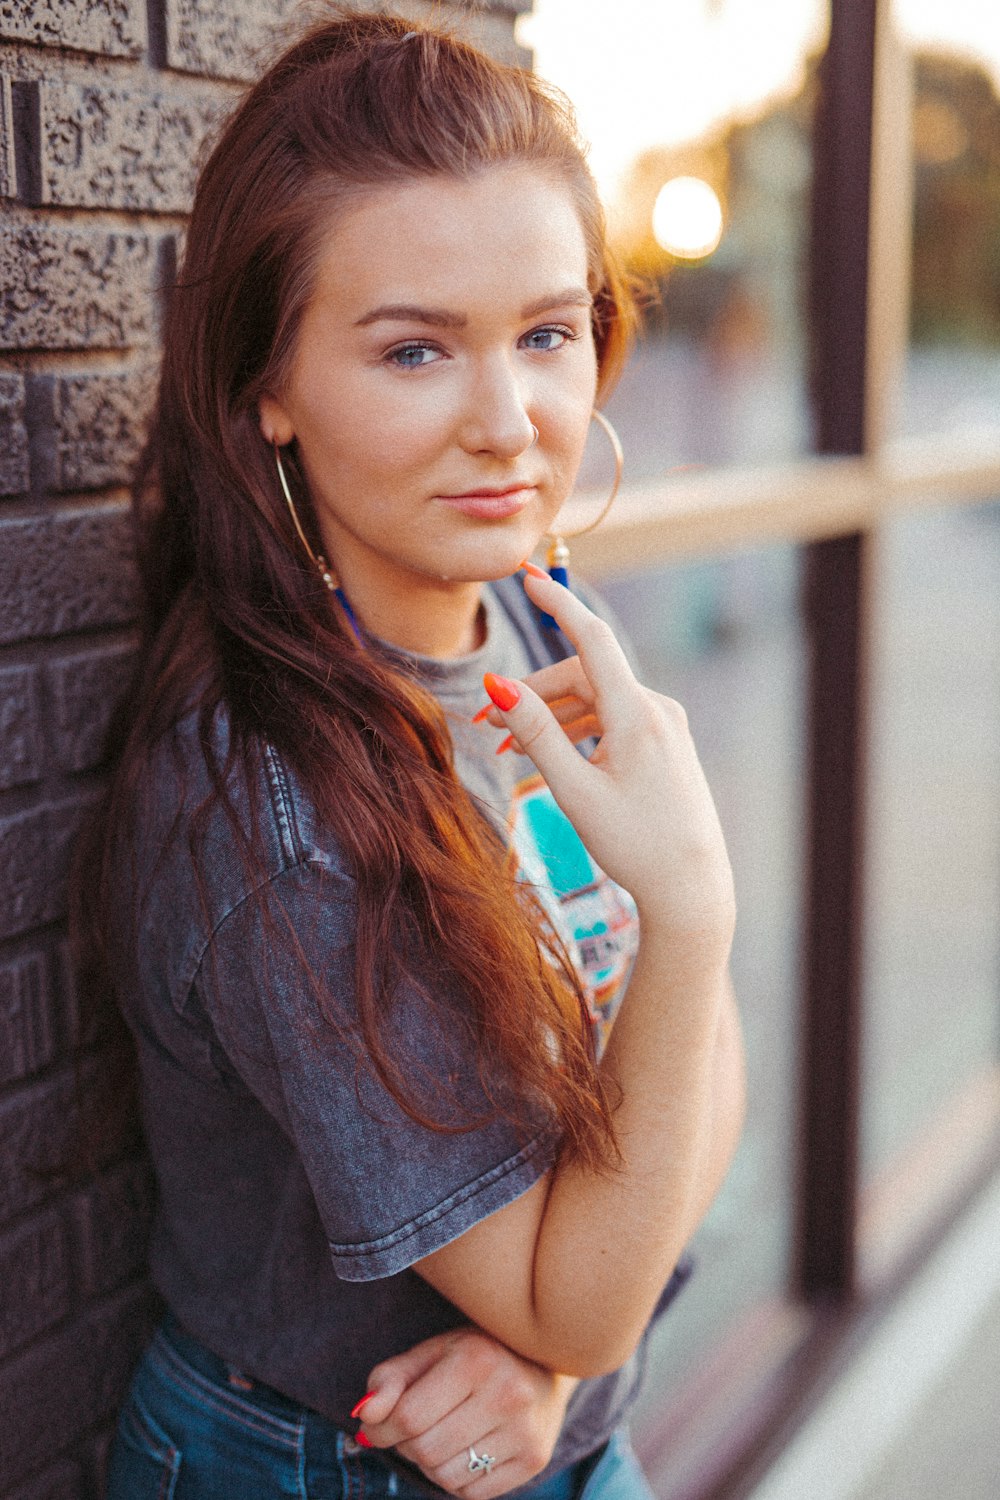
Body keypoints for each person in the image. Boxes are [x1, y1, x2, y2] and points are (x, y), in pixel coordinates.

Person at [88, 10, 746, 1498]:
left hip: (562, 1434)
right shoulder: (274, 813)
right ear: (269, 388)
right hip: (316, 1466)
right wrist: (694, 907)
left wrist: (563, 1348)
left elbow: (710, 1068)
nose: (508, 423)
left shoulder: (530, 621)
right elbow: (661, 1087)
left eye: (547, 332)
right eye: (412, 350)